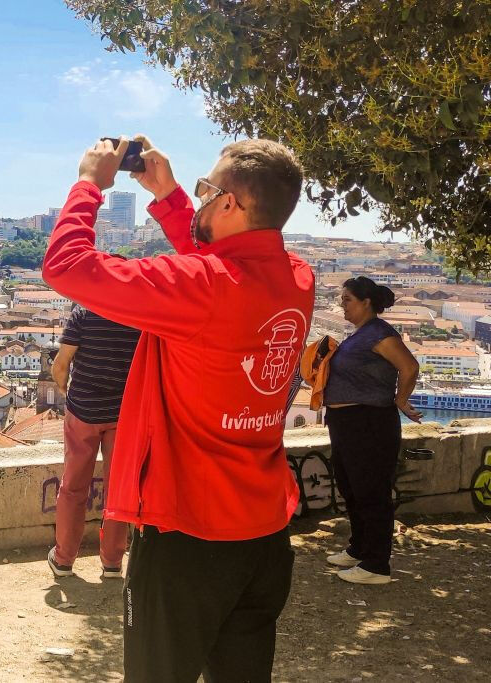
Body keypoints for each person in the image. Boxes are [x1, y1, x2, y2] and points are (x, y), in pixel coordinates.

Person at [42, 136, 314, 681]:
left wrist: (89, 184)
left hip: (188, 536)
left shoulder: (201, 287)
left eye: (206, 190)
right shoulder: (297, 279)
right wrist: (169, 197)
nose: (201, 197)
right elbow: (223, 265)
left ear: (231, 204)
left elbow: (67, 266)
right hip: (264, 532)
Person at [323, 276, 421, 585]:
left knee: (372, 493)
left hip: (369, 423)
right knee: (352, 488)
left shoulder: (379, 333)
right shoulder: (360, 334)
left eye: (347, 300)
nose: (342, 306)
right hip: (347, 425)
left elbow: (410, 367)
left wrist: (400, 400)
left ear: (366, 302)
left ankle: (377, 565)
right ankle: (359, 549)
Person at [48, 304, 139, 579]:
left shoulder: (84, 313)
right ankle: (112, 561)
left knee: (73, 486)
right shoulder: (136, 314)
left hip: (83, 412)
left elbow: (61, 364)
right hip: (123, 414)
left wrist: (67, 391)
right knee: (118, 488)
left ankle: (64, 558)